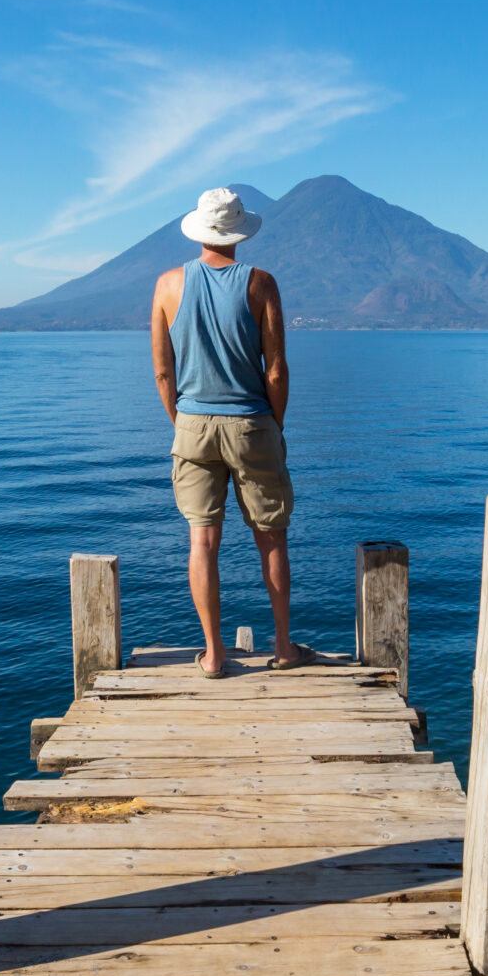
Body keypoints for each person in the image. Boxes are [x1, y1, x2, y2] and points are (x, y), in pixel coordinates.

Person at [151, 188, 310, 678]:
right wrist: (274, 426)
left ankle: (214, 654)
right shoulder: (261, 284)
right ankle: (283, 647)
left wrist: (183, 423)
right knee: (272, 537)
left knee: (202, 541)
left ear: (199, 230)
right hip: (252, 423)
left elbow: (163, 373)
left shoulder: (167, 285)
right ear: (240, 233)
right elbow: (276, 370)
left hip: (192, 425)